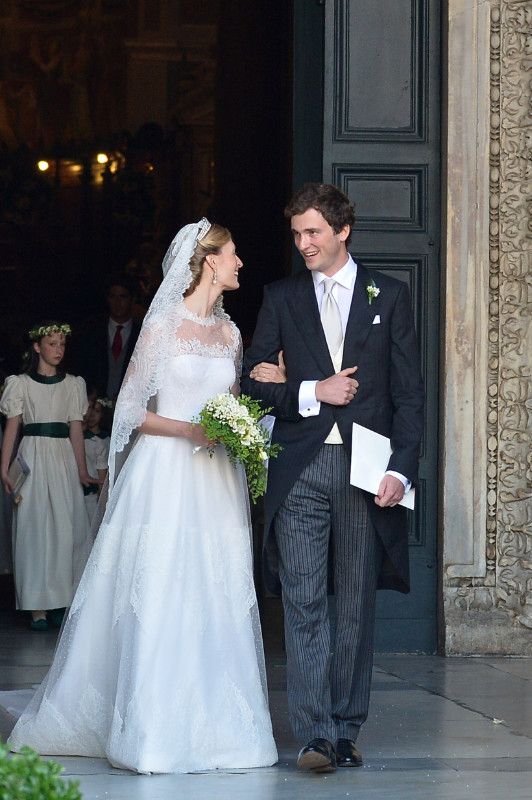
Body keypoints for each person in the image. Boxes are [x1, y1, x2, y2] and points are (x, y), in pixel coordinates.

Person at [3, 220, 278, 774]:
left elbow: (232, 405)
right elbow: (129, 411)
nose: (241, 263)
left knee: (215, 589)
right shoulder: (161, 329)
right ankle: (149, 727)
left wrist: (244, 430)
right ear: (208, 262)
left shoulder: (230, 336)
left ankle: (221, 728)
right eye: (233, 254)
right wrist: (188, 431)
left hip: (216, 481)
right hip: (167, 475)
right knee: (161, 586)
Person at [241, 183, 424, 773]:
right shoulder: (281, 296)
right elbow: (253, 381)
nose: (303, 244)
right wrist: (310, 391)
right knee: (303, 600)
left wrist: (401, 467)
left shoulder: (389, 296)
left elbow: (409, 395)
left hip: (366, 472)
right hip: (300, 467)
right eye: (297, 234)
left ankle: (347, 728)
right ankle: (315, 734)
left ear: (343, 230)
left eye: (313, 232)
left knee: (353, 603)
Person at [0, 323, 94, 631]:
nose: (58, 349)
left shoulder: (73, 384)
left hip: (62, 457)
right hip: (33, 456)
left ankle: (61, 598)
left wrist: (82, 470)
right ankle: (36, 605)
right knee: (33, 527)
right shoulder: (20, 383)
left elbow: (76, 429)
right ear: (38, 347)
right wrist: (4, 467)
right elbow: (13, 427)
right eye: (52, 344)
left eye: (62, 345)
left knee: (65, 525)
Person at [72, 274, 141, 400]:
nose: (117, 302)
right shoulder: (89, 330)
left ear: (133, 299)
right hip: (91, 406)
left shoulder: (142, 335)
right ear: (107, 299)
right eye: (113, 297)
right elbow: (79, 368)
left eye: (123, 297)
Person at [82, 396, 111, 524]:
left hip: (93, 496)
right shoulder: (80, 436)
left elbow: (102, 474)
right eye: (91, 410)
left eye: (97, 411)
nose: (92, 415)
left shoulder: (104, 440)